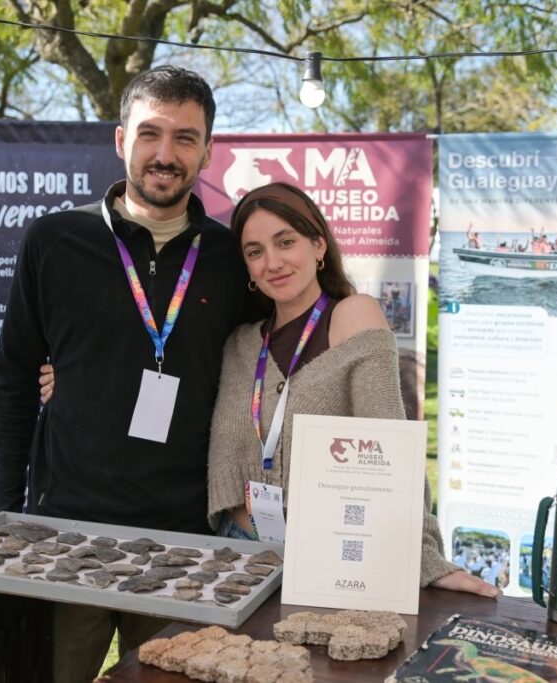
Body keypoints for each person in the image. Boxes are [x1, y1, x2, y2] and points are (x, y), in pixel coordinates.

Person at [0, 65, 249, 683]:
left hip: (187, 540)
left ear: (208, 150)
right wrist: (9, 515)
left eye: (186, 138)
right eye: (150, 134)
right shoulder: (55, 240)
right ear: (120, 140)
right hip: (70, 532)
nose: (166, 154)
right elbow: (14, 378)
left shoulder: (230, 257)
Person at [202, 182, 500, 597]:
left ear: (318, 245)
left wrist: (423, 556)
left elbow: (391, 449)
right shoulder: (240, 344)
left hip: (326, 555)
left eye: (285, 241)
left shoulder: (353, 316)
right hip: (235, 554)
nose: (272, 262)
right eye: (255, 252)